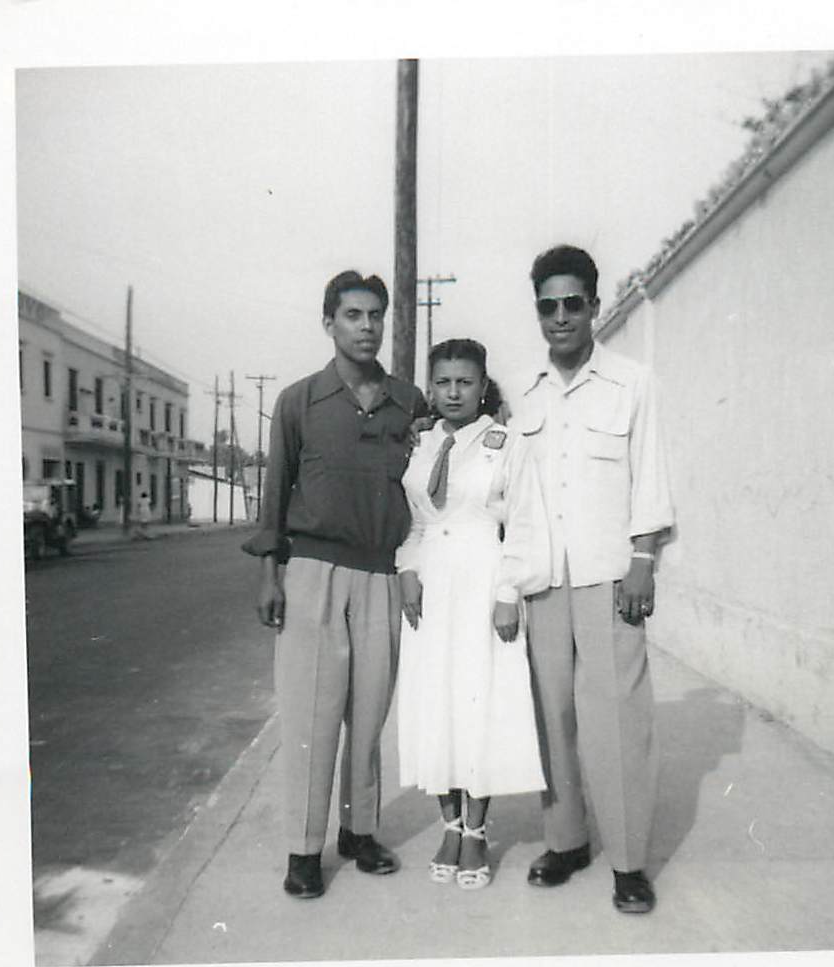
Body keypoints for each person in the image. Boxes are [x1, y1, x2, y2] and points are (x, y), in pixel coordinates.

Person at [242, 269, 428, 900]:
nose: (367, 326)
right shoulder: (299, 401)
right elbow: (274, 494)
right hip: (313, 574)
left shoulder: (410, 402)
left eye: (375, 315)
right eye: (353, 315)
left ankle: (359, 831)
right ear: (329, 323)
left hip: (381, 574)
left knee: (368, 715)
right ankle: (303, 849)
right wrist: (269, 574)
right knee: (312, 719)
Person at [511, 244, 675, 914]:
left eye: (572, 303)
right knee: (552, 716)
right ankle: (567, 840)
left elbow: (651, 476)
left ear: (594, 306)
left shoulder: (632, 383)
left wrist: (643, 561)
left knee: (616, 721)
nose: (560, 317)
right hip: (545, 580)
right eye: (547, 306)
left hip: (610, 576)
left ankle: (629, 862)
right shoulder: (524, 393)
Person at [395, 339, 550, 890]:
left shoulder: (505, 442)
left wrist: (508, 592)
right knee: (436, 704)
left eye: (465, 382)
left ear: (483, 386)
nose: (454, 392)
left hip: (483, 580)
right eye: (443, 382)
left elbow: (524, 523)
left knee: (478, 703)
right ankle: (450, 826)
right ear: (430, 388)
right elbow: (416, 521)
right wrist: (407, 568)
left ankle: (478, 832)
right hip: (431, 585)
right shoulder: (421, 443)